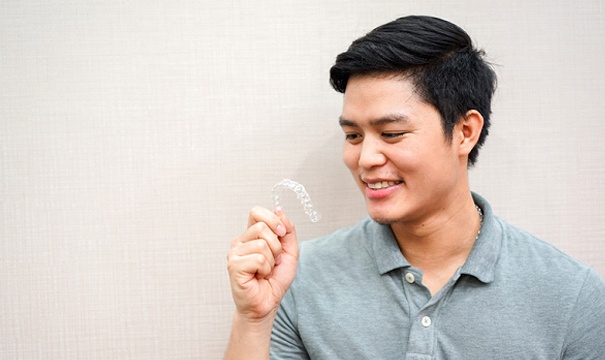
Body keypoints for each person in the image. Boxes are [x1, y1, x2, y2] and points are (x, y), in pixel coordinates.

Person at [224, 15, 605, 359]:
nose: (365, 158)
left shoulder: (570, 294)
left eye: (391, 133)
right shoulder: (301, 277)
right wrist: (253, 320)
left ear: (464, 132)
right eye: (353, 135)